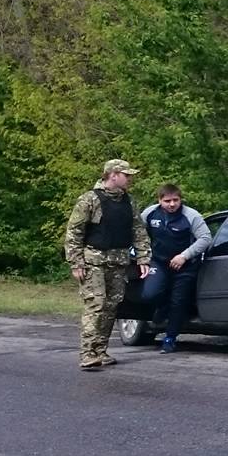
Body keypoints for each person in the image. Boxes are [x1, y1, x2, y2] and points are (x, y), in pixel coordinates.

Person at [63, 159, 152, 371]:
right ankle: (87, 353)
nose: (130, 179)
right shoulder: (90, 200)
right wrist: (76, 262)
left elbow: (138, 230)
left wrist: (143, 258)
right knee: (96, 304)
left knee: (112, 307)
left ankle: (100, 350)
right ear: (113, 175)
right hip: (93, 261)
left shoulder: (128, 201)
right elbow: (74, 232)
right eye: (126, 175)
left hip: (118, 261)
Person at [140, 183, 211, 352]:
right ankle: (161, 307)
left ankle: (170, 338)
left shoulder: (191, 215)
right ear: (160, 201)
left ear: (180, 199)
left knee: (178, 302)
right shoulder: (150, 213)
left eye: (175, 200)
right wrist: (140, 254)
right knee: (149, 294)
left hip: (185, 265)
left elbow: (205, 238)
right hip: (159, 262)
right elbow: (137, 233)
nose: (172, 204)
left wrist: (184, 256)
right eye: (167, 201)